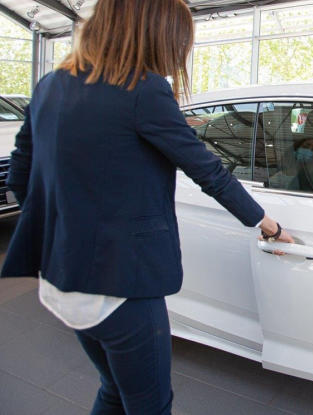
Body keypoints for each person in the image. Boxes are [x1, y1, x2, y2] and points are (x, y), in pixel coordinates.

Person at [0, 0, 293, 413]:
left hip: (60, 279)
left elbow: (20, 177)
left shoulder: (51, 84)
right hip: (119, 289)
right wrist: (269, 225)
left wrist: (71, 226)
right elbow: (208, 172)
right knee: (150, 404)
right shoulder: (143, 88)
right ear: (154, 33)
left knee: (114, 390)